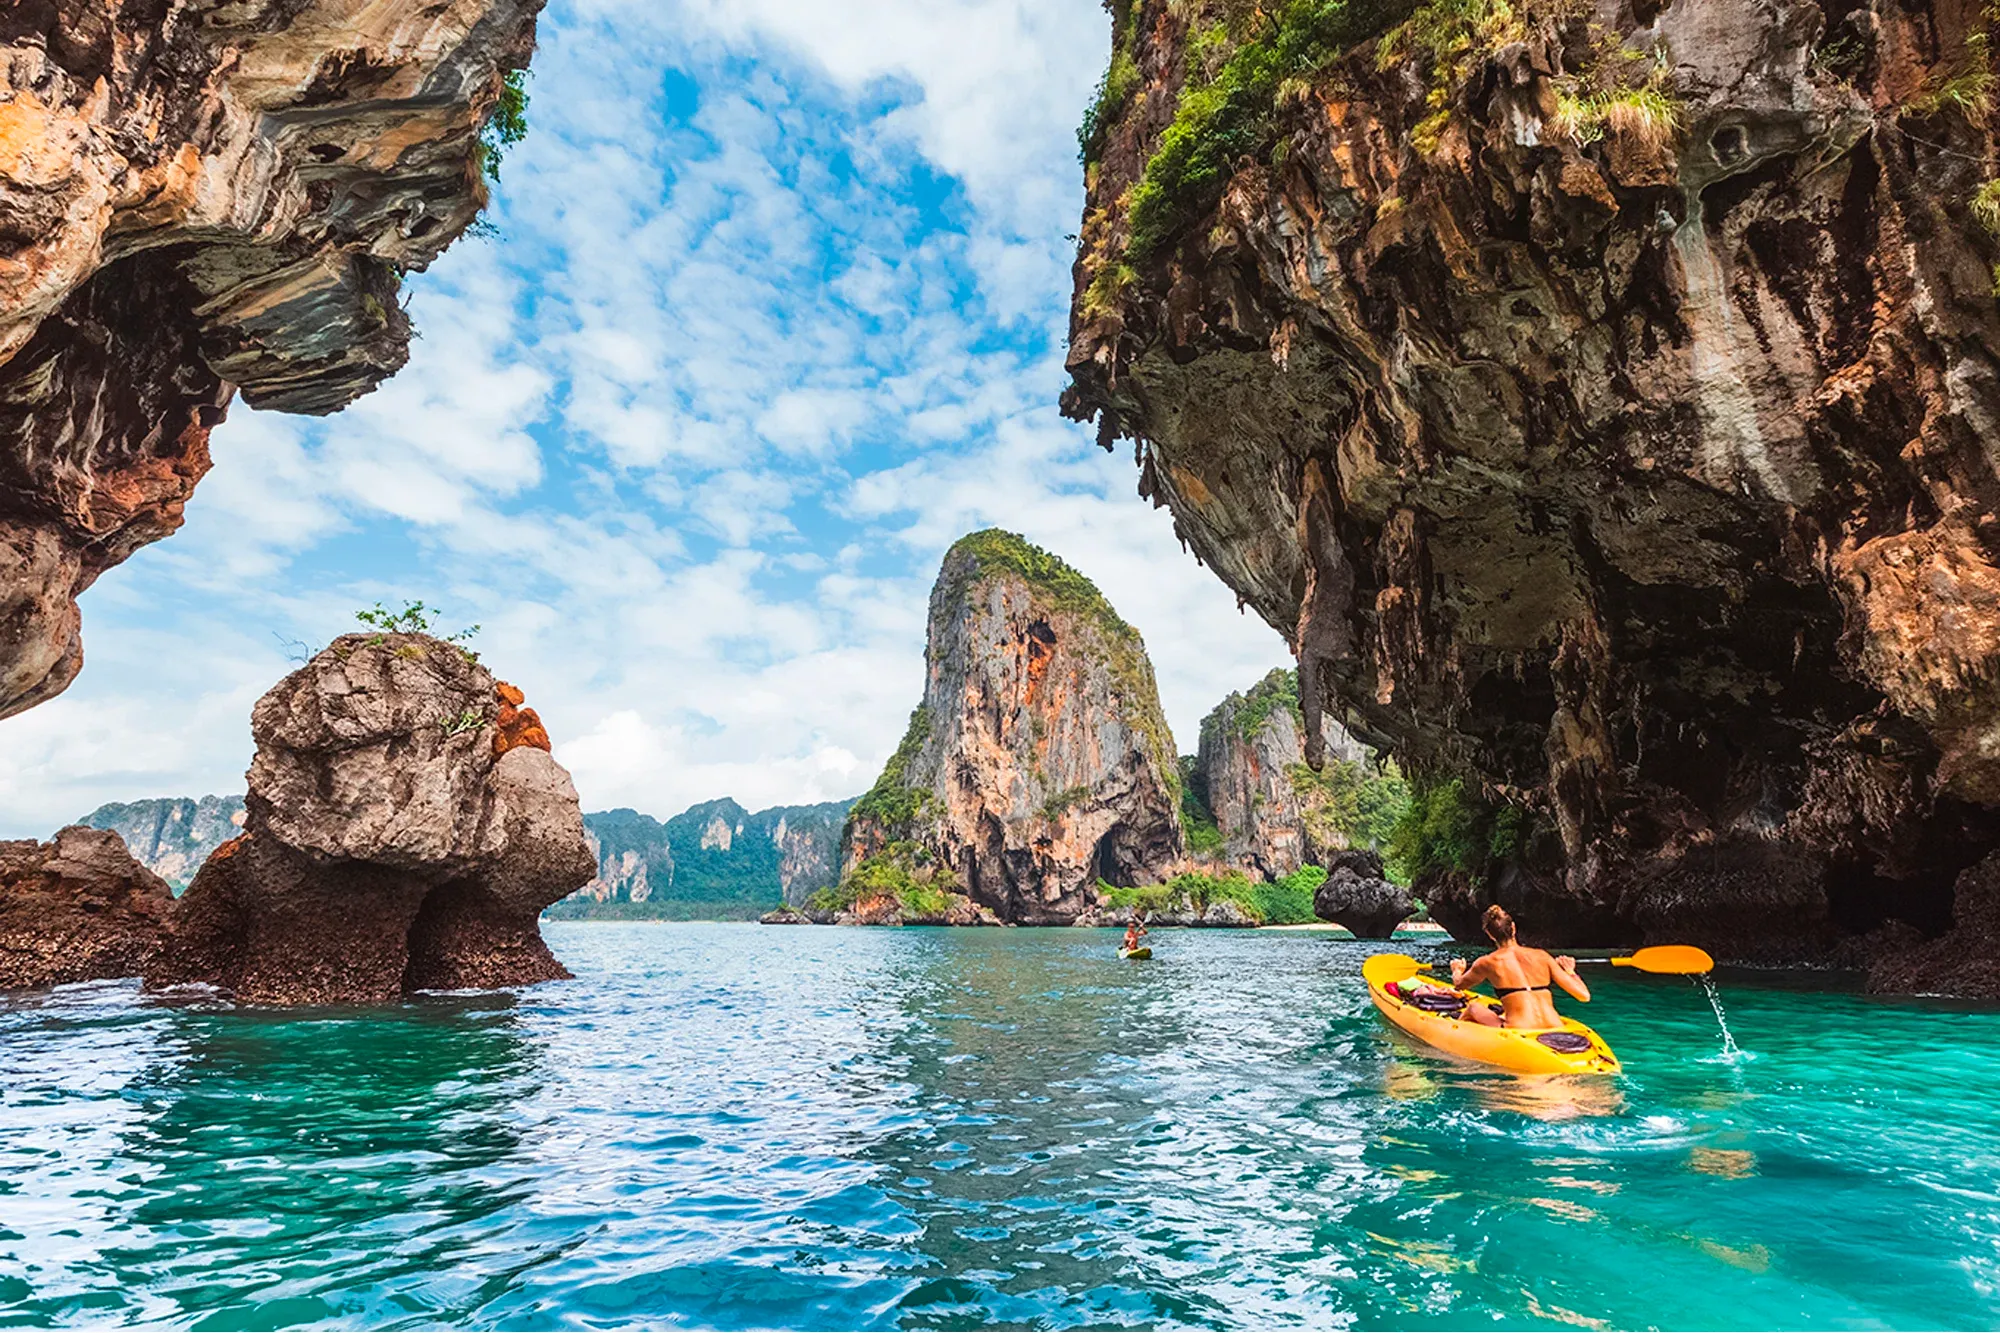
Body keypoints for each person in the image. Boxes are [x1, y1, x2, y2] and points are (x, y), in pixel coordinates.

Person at [1445, 904, 1589, 1029]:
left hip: (1519, 1028)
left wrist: (1457, 970)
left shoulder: (1487, 962)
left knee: (1473, 1007)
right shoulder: (1543, 956)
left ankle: (1457, 1035)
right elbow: (1584, 996)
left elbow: (1459, 985)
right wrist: (1570, 971)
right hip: (1554, 1025)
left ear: (1490, 934)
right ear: (1513, 928)